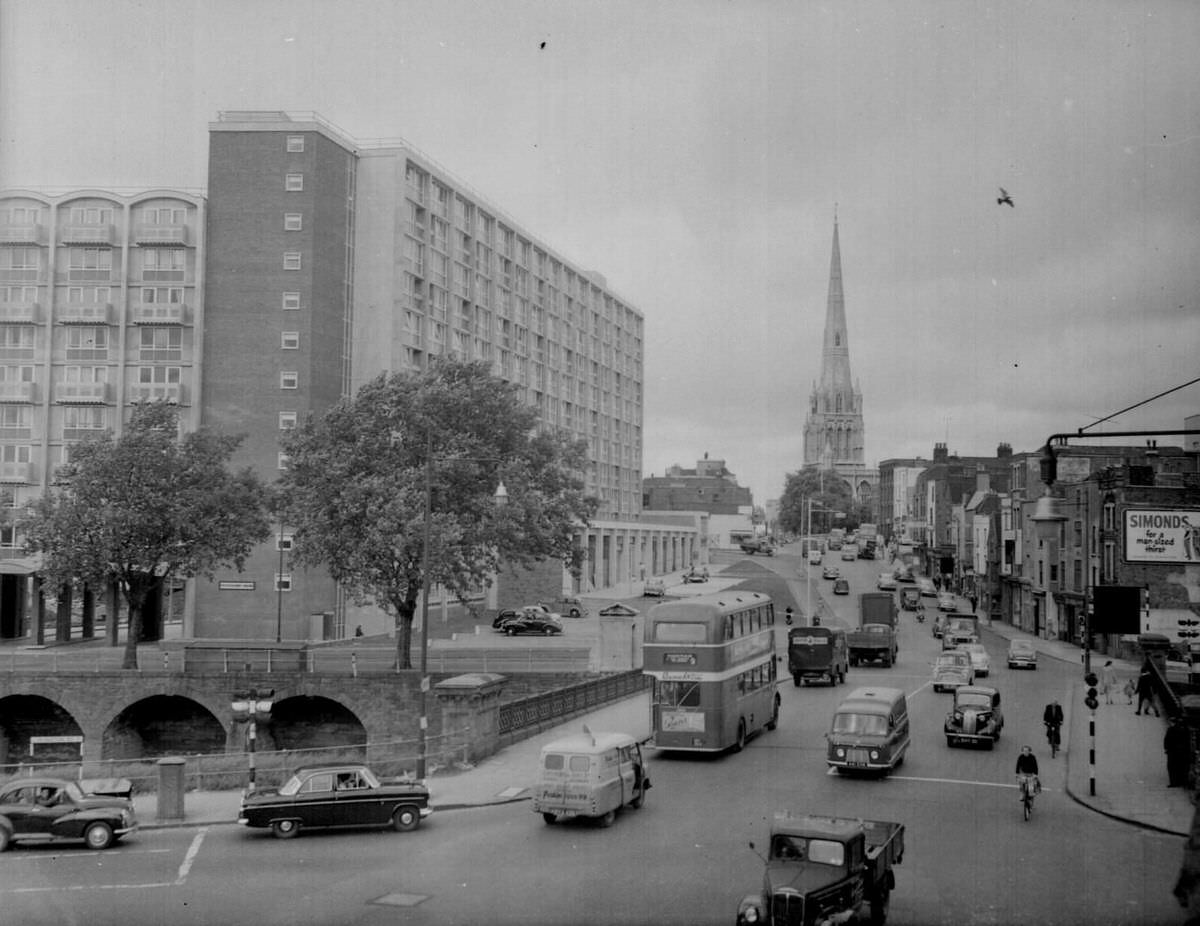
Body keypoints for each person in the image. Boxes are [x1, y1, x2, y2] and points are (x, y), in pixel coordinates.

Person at [1166, 720, 1193, 788]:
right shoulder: (1186, 730)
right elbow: (1188, 742)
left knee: (1172, 767)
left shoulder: (1171, 729)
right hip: (1182, 751)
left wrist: (1167, 748)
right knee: (1182, 766)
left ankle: (1174, 782)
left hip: (1172, 751)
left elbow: (1167, 740)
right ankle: (1182, 781)